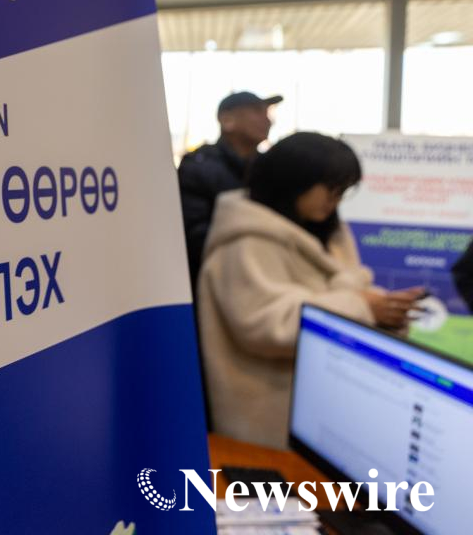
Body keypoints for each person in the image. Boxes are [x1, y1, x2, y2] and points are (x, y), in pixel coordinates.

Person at [196, 132, 425, 448]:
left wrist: (385, 310)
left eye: (343, 190)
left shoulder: (329, 230)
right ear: (293, 180)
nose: (336, 200)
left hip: (323, 411)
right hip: (269, 419)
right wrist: (362, 307)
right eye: (330, 188)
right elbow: (268, 325)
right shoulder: (247, 241)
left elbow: (347, 289)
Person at [178, 91, 282, 294]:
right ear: (227, 120)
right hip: (216, 287)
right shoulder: (198, 168)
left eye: (267, 113)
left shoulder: (271, 169)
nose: (268, 121)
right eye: (257, 111)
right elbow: (195, 237)